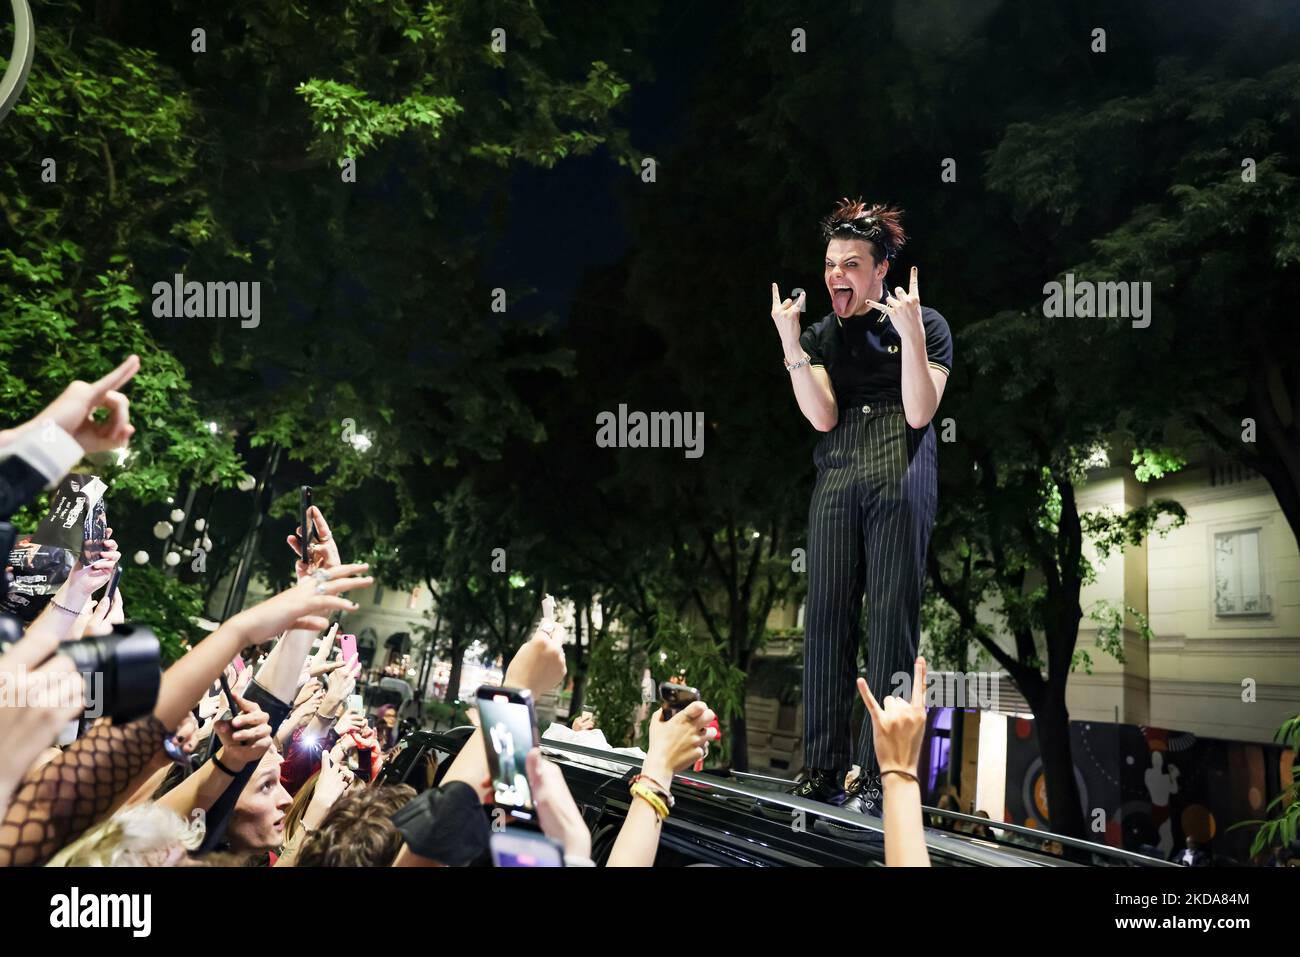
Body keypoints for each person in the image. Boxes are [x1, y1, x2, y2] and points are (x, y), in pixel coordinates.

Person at [772, 198, 952, 814]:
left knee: (892, 618)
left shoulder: (925, 323)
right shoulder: (822, 333)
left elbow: (920, 411)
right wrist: (790, 340)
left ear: (881, 272)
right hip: (839, 461)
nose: (835, 275)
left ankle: (883, 773)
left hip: (900, 459)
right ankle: (821, 766)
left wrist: (908, 336)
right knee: (823, 614)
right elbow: (821, 415)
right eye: (829, 263)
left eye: (851, 263)